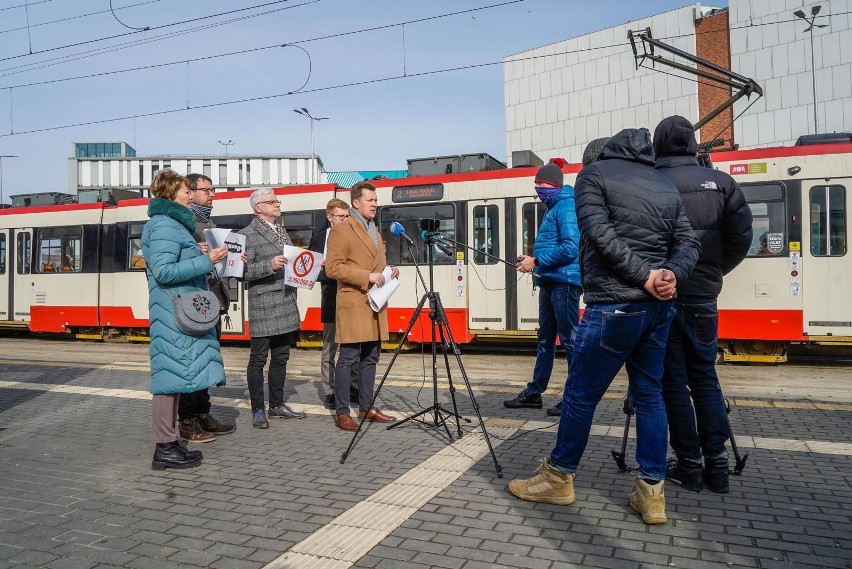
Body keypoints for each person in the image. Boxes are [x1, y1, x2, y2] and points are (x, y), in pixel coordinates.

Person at [508, 129, 701, 525]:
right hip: (658, 310)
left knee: (580, 395)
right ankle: (651, 494)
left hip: (614, 306)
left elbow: (599, 235)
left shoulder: (593, 177)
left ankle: (558, 478)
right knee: (650, 396)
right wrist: (670, 276)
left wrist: (646, 276)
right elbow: (688, 242)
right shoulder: (663, 183)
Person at [653, 115, 753, 494]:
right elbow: (741, 238)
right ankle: (719, 466)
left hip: (662, 294)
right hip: (703, 298)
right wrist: (713, 272)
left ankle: (690, 466)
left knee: (673, 384)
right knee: (705, 378)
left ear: (658, 145)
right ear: (693, 145)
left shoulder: (652, 181)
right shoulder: (724, 184)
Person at [142, 169, 229, 470]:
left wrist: (198, 254)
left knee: (176, 378)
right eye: (185, 190)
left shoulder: (171, 224)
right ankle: (164, 447)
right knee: (168, 380)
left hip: (176, 310)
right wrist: (207, 260)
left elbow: (172, 262)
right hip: (172, 313)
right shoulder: (164, 225)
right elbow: (164, 272)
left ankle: (169, 444)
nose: (191, 194)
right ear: (171, 192)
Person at [505, 161, 581, 416]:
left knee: (570, 341)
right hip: (550, 280)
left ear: (554, 184)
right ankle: (535, 392)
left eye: (541, 183)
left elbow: (572, 247)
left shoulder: (566, 206)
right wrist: (532, 262)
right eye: (536, 184)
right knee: (546, 339)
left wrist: (535, 261)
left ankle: (573, 397)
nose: (537, 188)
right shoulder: (554, 207)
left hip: (564, 283)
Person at [325, 181, 399, 431]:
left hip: (374, 302)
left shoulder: (374, 230)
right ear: (356, 202)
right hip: (354, 301)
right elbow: (334, 268)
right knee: (347, 358)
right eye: (370, 200)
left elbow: (376, 264)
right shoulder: (342, 230)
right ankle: (343, 411)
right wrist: (365, 276)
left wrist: (389, 272)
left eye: (376, 201)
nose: (375, 205)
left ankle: (367, 407)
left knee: (371, 357)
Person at [239, 188, 307, 429]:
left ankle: (276, 405)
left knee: (281, 357)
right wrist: (270, 264)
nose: (277, 204)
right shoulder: (247, 234)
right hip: (264, 305)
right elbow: (242, 273)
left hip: (286, 301)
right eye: (272, 202)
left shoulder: (281, 230)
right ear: (258, 208)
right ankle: (258, 409)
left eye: (277, 201)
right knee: (258, 359)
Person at [177, 173, 236, 443]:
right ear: (190, 192)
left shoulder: (208, 223)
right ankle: (187, 421)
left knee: (207, 362)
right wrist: (198, 253)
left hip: (212, 300)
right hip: (195, 303)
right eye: (206, 190)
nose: (211, 195)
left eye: (212, 190)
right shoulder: (183, 223)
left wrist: (234, 258)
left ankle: (203, 413)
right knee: (194, 363)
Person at [308, 198, 360, 409]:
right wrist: (326, 270)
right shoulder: (319, 240)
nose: (345, 220)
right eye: (341, 216)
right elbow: (310, 273)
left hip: (352, 297)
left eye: (348, 216)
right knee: (329, 348)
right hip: (331, 298)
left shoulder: (356, 237)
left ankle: (353, 387)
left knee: (353, 345)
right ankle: (330, 391)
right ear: (330, 217)